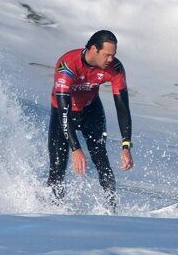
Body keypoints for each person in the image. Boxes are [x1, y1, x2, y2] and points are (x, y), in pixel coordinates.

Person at [47, 29, 133, 210]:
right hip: (64, 113)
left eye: (113, 55)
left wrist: (126, 145)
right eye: (107, 55)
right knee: (57, 167)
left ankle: (112, 209)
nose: (111, 59)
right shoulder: (67, 65)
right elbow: (63, 110)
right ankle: (54, 210)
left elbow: (122, 107)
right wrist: (75, 148)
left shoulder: (115, 68)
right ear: (94, 49)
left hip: (91, 110)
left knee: (102, 162)